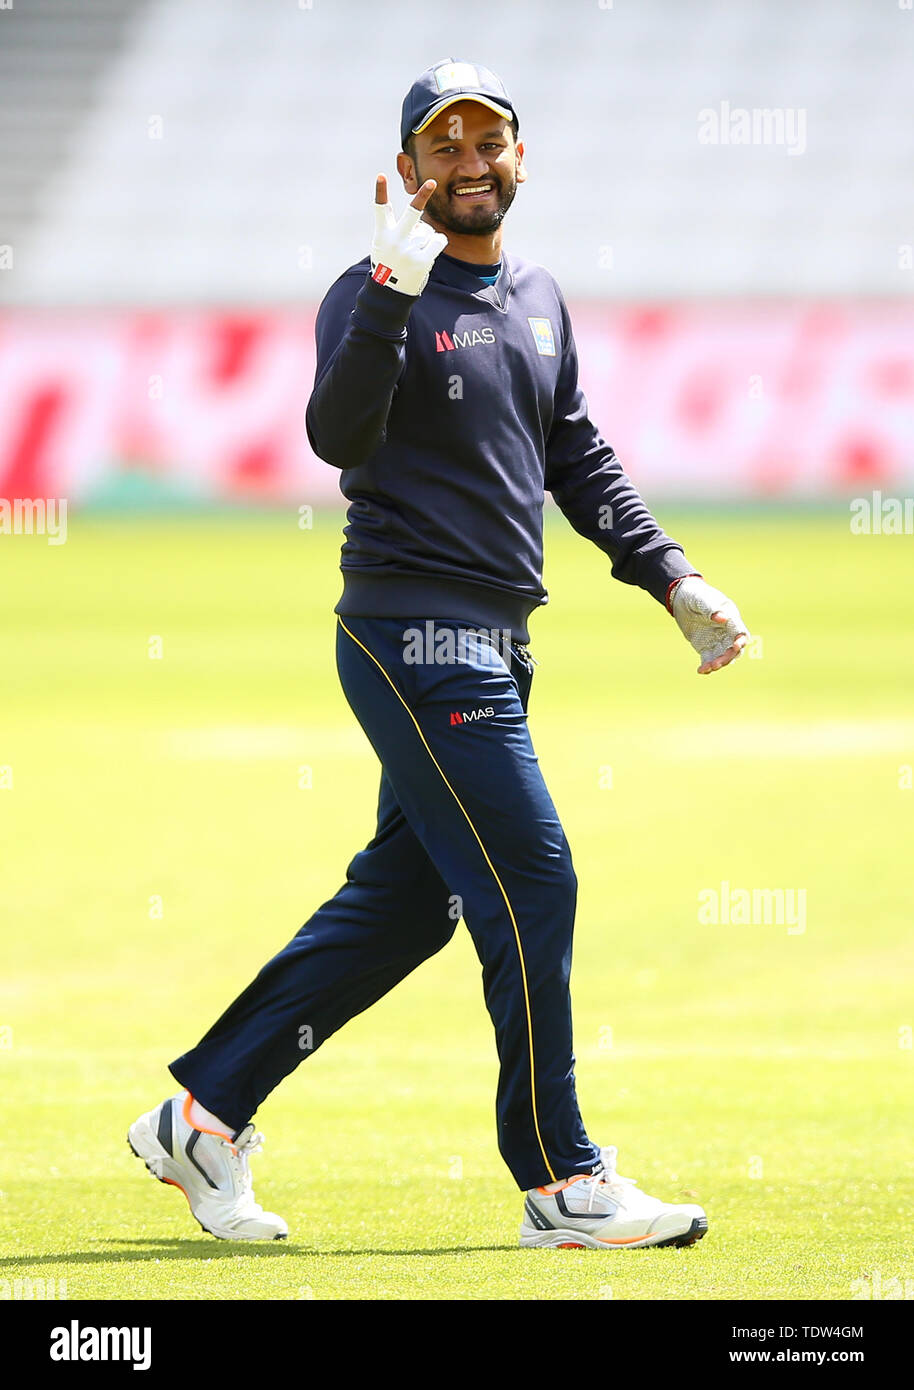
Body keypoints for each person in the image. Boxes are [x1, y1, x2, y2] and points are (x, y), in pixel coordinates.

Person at [129, 58, 748, 1250]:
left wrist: (671, 575)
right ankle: (562, 1179)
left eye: (488, 141)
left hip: (494, 643)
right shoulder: (377, 289)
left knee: (409, 905)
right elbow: (333, 431)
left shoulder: (539, 297)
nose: (468, 162)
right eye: (442, 145)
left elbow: (574, 456)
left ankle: (201, 1117)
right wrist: (390, 284)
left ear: (521, 159)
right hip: (416, 639)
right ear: (407, 171)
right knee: (532, 878)